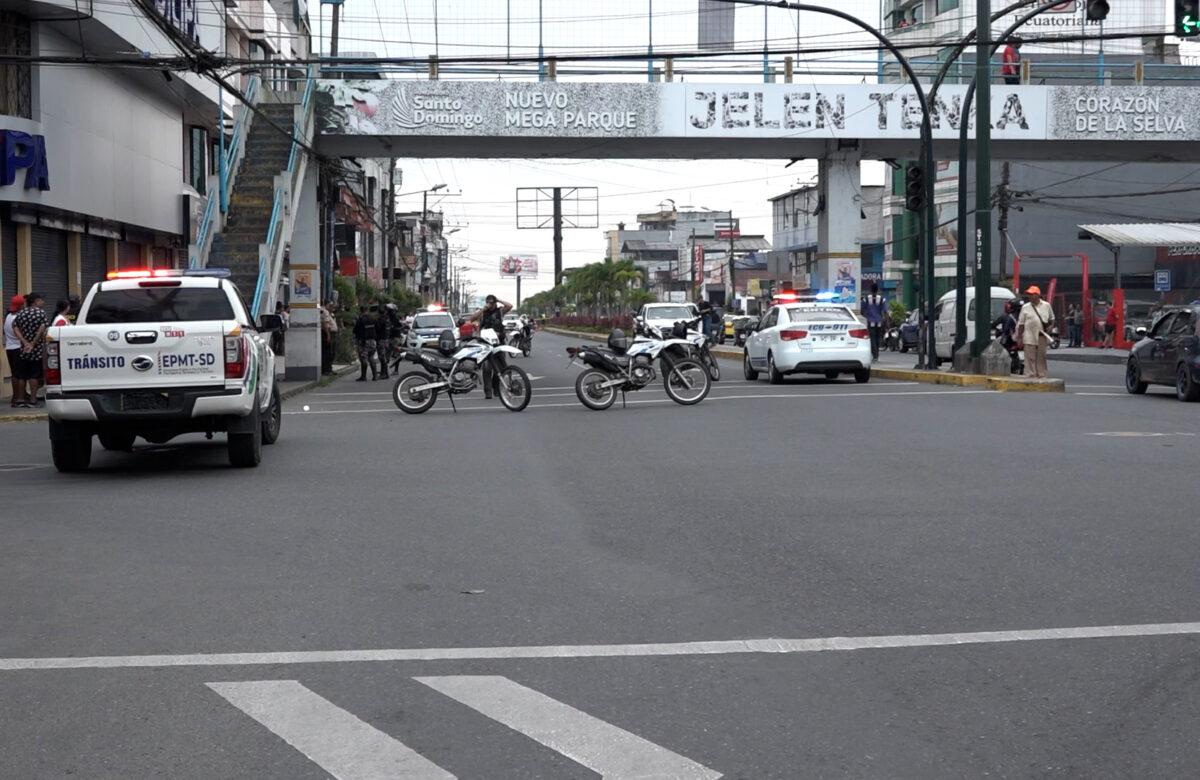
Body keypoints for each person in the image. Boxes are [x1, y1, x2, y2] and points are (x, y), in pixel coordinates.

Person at [468, 294, 513, 398]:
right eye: (488, 302)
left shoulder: (500, 311)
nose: (490, 305)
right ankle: (488, 392)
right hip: (486, 343)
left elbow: (510, 306)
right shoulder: (483, 313)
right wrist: (483, 309)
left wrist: (499, 300)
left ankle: (496, 388)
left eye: (492, 303)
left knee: (501, 367)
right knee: (487, 368)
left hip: (499, 342)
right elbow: (472, 318)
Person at [12, 292, 49, 407]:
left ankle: (20, 399)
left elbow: (15, 327)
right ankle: (33, 399)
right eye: (41, 300)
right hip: (36, 350)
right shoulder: (41, 313)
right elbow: (43, 328)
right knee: (34, 375)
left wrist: (24, 342)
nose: (43, 303)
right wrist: (33, 343)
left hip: (24, 349)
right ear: (36, 301)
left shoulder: (21, 313)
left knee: (22, 375)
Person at [1016, 285, 1055, 379]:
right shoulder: (1025, 307)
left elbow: (1052, 318)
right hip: (1029, 335)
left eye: (1031, 294)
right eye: (1028, 294)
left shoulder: (1046, 305)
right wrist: (1019, 337)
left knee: (1041, 357)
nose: (1029, 296)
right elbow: (1021, 323)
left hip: (1042, 335)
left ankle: (1041, 375)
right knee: (1030, 357)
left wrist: (1051, 327)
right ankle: (1030, 375)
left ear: (1037, 295)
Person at [352, 302, 382, 382]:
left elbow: (355, 330)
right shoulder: (373, 319)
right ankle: (375, 376)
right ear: (367, 310)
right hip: (372, 341)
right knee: (371, 357)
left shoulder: (360, 320)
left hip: (363, 342)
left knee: (363, 358)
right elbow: (378, 329)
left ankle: (363, 376)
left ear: (361, 310)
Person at [4, 295, 24, 407]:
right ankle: (18, 398)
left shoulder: (8, 317)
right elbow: (20, 333)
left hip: (9, 348)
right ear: (21, 306)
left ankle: (15, 396)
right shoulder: (17, 319)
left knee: (14, 374)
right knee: (20, 375)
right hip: (17, 348)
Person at [861, 283, 886, 360]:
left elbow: (862, 311)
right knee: (878, 338)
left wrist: (867, 317)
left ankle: (875, 355)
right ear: (877, 290)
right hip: (879, 322)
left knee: (872, 339)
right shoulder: (882, 299)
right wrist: (885, 321)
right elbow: (885, 311)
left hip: (870, 321)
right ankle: (877, 354)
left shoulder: (866, 299)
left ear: (870, 290)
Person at [319, 302, 337, 375]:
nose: (333, 308)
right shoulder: (325, 312)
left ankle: (329, 369)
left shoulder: (329, 313)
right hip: (327, 334)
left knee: (330, 352)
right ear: (327, 306)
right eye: (331, 306)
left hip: (330, 333)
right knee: (327, 353)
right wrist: (328, 335)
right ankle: (326, 370)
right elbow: (325, 324)